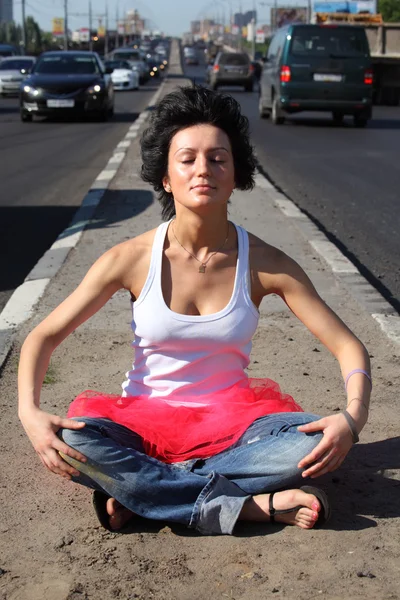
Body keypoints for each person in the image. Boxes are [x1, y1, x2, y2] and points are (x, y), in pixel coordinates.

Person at [18, 85, 371, 536]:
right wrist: (29, 414)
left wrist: (353, 417)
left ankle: (144, 494)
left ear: (236, 171)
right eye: (187, 159)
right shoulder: (129, 259)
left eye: (218, 158)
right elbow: (42, 337)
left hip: (238, 428)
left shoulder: (266, 262)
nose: (203, 169)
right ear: (166, 176)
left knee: (321, 442)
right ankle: (250, 506)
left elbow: (347, 345)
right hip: (139, 425)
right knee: (74, 442)